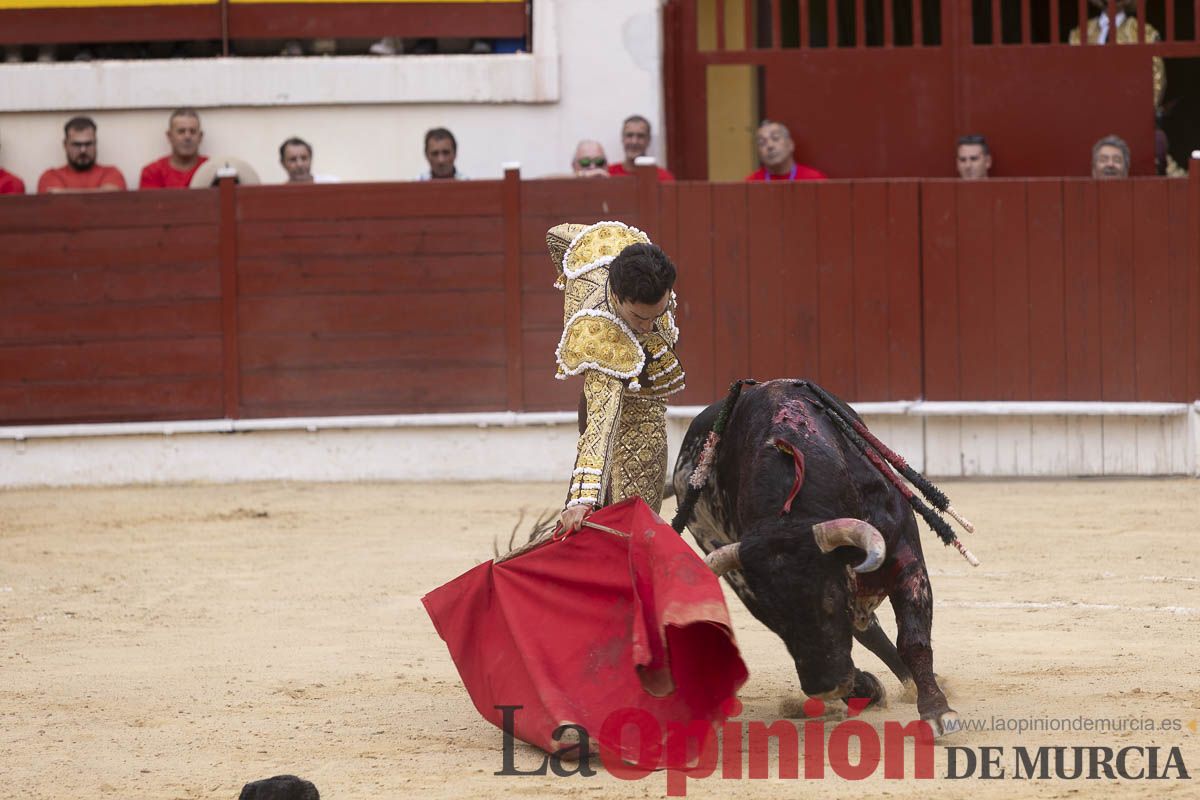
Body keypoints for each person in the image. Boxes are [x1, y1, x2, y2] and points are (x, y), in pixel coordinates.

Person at [546, 221, 686, 532]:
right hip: (619, 403)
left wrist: (569, 276)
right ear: (616, 295)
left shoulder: (613, 246)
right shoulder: (598, 331)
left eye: (657, 314)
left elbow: (558, 235)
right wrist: (583, 499)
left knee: (638, 517)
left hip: (646, 401)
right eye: (639, 316)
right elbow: (602, 416)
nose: (648, 327)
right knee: (630, 526)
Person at [37, 116, 127, 194]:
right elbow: (53, 201)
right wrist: (100, 192)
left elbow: (112, 195)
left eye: (88, 144)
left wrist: (62, 193)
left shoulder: (112, 173)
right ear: (65, 145)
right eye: (77, 145)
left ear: (95, 143)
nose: (83, 150)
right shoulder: (50, 176)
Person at [139, 108, 209, 190]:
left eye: (192, 131)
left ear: (200, 137)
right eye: (181, 131)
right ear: (169, 136)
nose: (187, 137)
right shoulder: (152, 172)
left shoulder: (212, 170)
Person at [745, 120, 826, 182]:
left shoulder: (814, 179)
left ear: (790, 144)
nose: (770, 146)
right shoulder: (751, 183)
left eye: (775, 138)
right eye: (762, 142)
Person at [607, 115, 674, 181]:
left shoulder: (664, 178)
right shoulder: (608, 175)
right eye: (629, 135)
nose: (634, 142)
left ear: (648, 140)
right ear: (622, 139)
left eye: (640, 136)